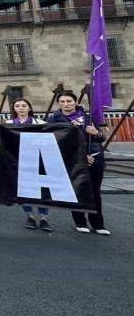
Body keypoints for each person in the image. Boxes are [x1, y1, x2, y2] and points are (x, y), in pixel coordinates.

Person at [47, 91, 110, 236]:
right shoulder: (53, 120)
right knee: (77, 190)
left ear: (75, 102)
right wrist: (81, 155)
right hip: (73, 159)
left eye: (69, 101)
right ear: (59, 104)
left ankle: (98, 224)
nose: (66, 104)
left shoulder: (89, 117)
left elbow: (101, 139)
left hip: (95, 157)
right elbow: (55, 142)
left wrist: (96, 133)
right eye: (62, 102)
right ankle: (80, 222)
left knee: (95, 191)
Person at [0, 98, 52, 231]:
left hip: (39, 160)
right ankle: (30, 216)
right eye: (17, 106)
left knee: (42, 190)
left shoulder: (40, 123)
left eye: (24, 105)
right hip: (18, 161)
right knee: (23, 189)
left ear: (29, 108)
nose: (21, 108)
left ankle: (44, 217)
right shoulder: (8, 124)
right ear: (14, 109)